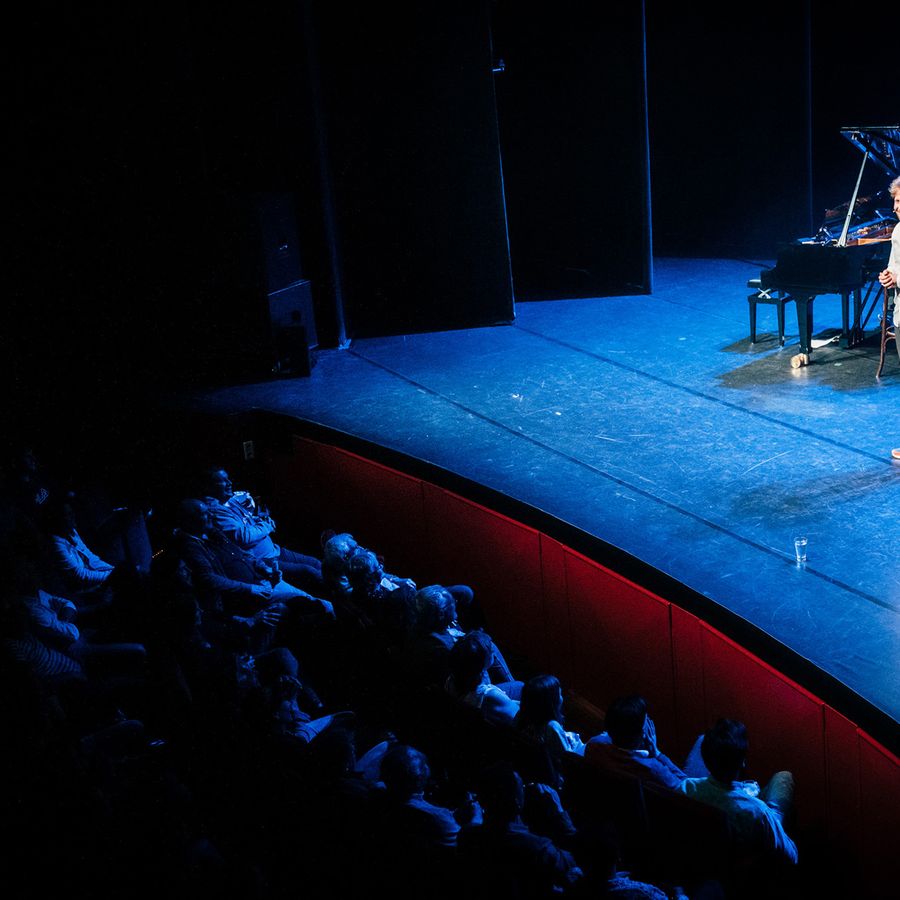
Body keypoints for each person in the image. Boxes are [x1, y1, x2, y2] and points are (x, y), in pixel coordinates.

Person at [676, 718, 798, 866]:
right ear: (742, 762)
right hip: (748, 836)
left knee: (701, 738)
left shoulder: (685, 788)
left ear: (705, 759)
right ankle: (776, 825)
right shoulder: (758, 811)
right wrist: (770, 820)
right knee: (784, 777)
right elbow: (792, 855)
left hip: (705, 858)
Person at [201, 467, 324, 591]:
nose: (230, 483)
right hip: (264, 559)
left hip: (274, 550)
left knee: (316, 563)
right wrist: (266, 525)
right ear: (209, 487)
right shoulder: (214, 510)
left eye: (228, 479)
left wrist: (261, 519)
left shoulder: (229, 501)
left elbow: (248, 521)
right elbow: (243, 536)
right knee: (310, 572)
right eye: (223, 481)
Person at [585, 694, 697, 791]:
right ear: (644, 731)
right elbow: (687, 788)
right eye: (646, 720)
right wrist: (657, 754)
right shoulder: (653, 768)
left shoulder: (593, 748)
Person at [515, 674, 591, 761]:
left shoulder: (523, 716)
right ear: (551, 702)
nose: (562, 698)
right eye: (560, 694)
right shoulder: (552, 726)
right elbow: (567, 758)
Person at [877, 176, 900, 459]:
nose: (895, 207)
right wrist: (887, 275)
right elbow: (894, 266)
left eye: (899, 201)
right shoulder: (897, 231)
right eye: (895, 201)